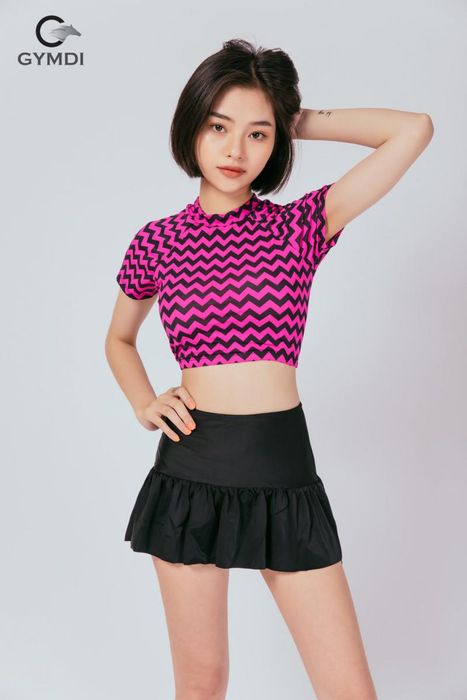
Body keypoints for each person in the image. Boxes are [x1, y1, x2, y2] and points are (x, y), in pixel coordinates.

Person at [105, 37, 433, 700]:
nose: (236, 150)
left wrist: (292, 116)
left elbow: (412, 130)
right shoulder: (158, 241)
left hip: (284, 471)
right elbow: (119, 338)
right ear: (191, 128)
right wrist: (143, 401)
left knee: (348, 689)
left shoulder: (299, 227)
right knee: (202, 683)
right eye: (219, 127)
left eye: (257, 134)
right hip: (192, 470)